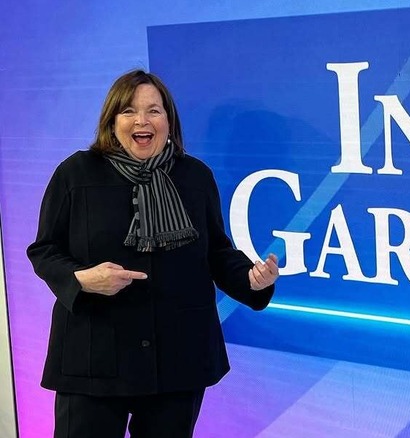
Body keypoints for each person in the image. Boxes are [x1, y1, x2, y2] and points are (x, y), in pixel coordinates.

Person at [27, 69, 279, 437]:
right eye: (128, 111)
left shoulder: (195, 176)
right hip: (94, 357)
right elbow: (45, 250)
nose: (142, 120)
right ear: (112, 121)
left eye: (154, 111)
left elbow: (216, 251)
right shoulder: (74, 174)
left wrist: (252, 278)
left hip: (177, 359)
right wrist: (82, 279)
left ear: (168, 121)